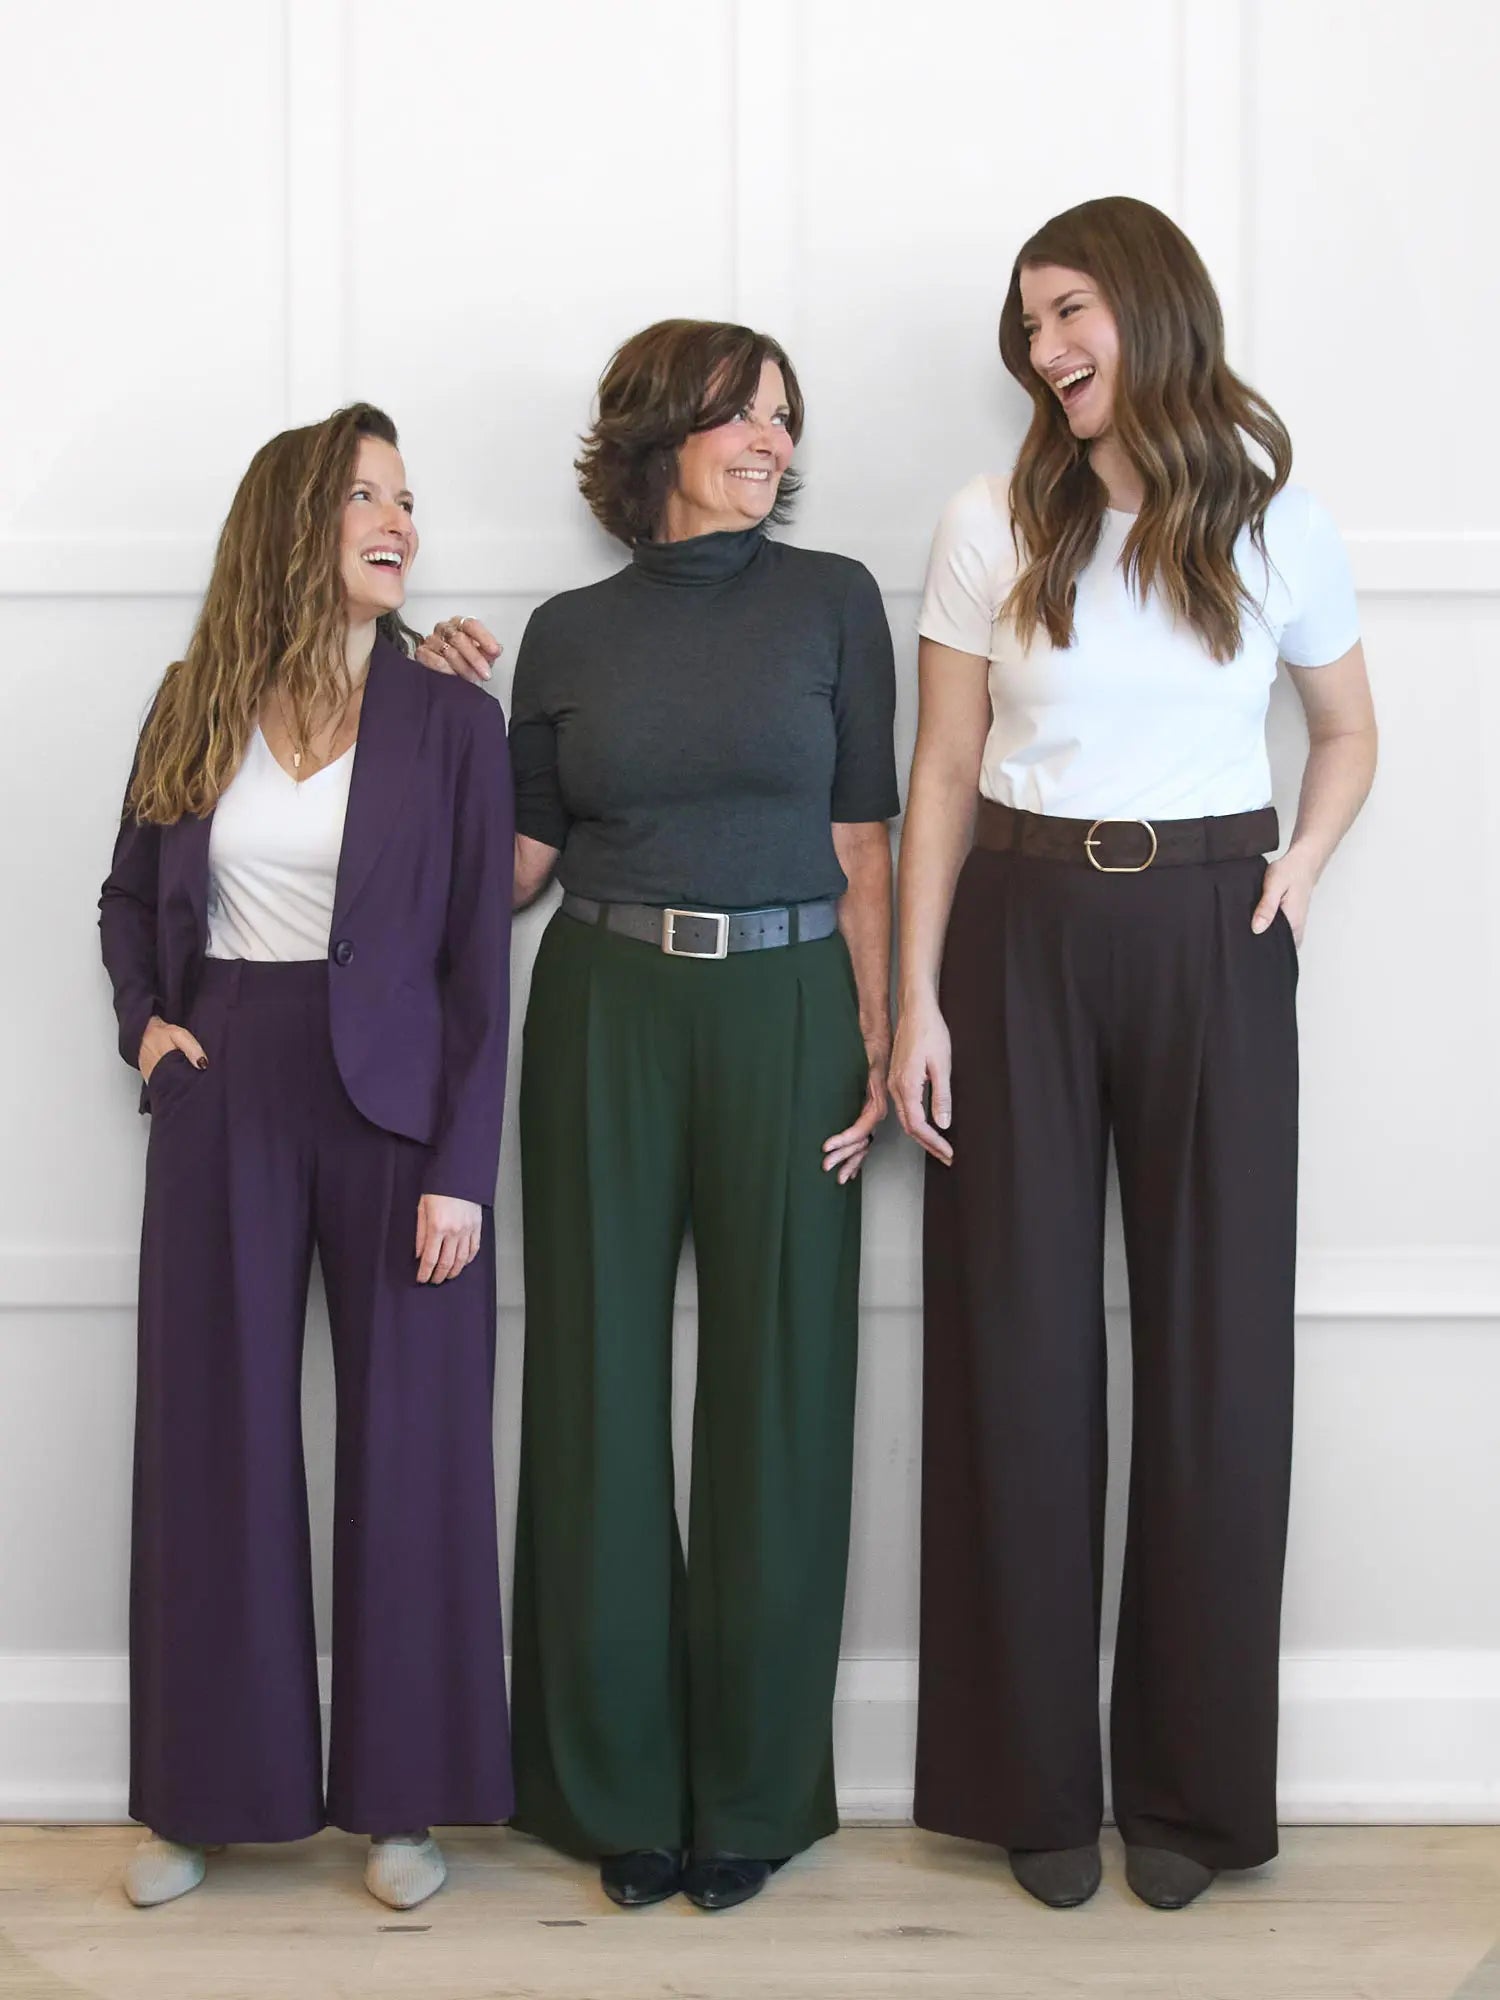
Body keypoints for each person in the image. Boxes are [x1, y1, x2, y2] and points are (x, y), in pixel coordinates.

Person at [889, 197, 1377, 1912]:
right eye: (1028, 325)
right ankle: (1031, 1784)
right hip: (1018, 928)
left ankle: (1189, 1793)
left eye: (1070, 309)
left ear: (1150, 307)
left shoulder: (1271, 517)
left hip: (1212, 927)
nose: (1046, 350)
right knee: (1014, 1349)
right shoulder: (986, 517)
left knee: (1216, 1355)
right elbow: (941, 770)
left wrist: (1298, 870)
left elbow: (1346, 728)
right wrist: (916, 1001)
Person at [422, 317, 898, 1911]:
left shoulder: (834, 603)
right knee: (597, 1379)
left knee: (784, 1387)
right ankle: (613, 1790)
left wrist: (887, 1032)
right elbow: (519, 869)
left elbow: (864, 843)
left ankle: (753, 1794)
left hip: (789, 1005)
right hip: (605, 1006)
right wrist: (426, 729)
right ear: (658, 435)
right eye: (742, 414)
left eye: (785, 418)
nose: (773, 439)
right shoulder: (567, 632)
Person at [98, 404, 514, 1911]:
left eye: (409, 496)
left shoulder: (455, 719)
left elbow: (480, 965)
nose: (398, 518)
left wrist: (464, 1166)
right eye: (364, 496)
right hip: (227, 1092)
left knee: (413, 1447)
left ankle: (404, 1803)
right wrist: (150, 1027)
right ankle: (203, 1797)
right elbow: (127, 897)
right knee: (215, 1440)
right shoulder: (191, 700)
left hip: (400, 1112)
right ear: (294, 521)